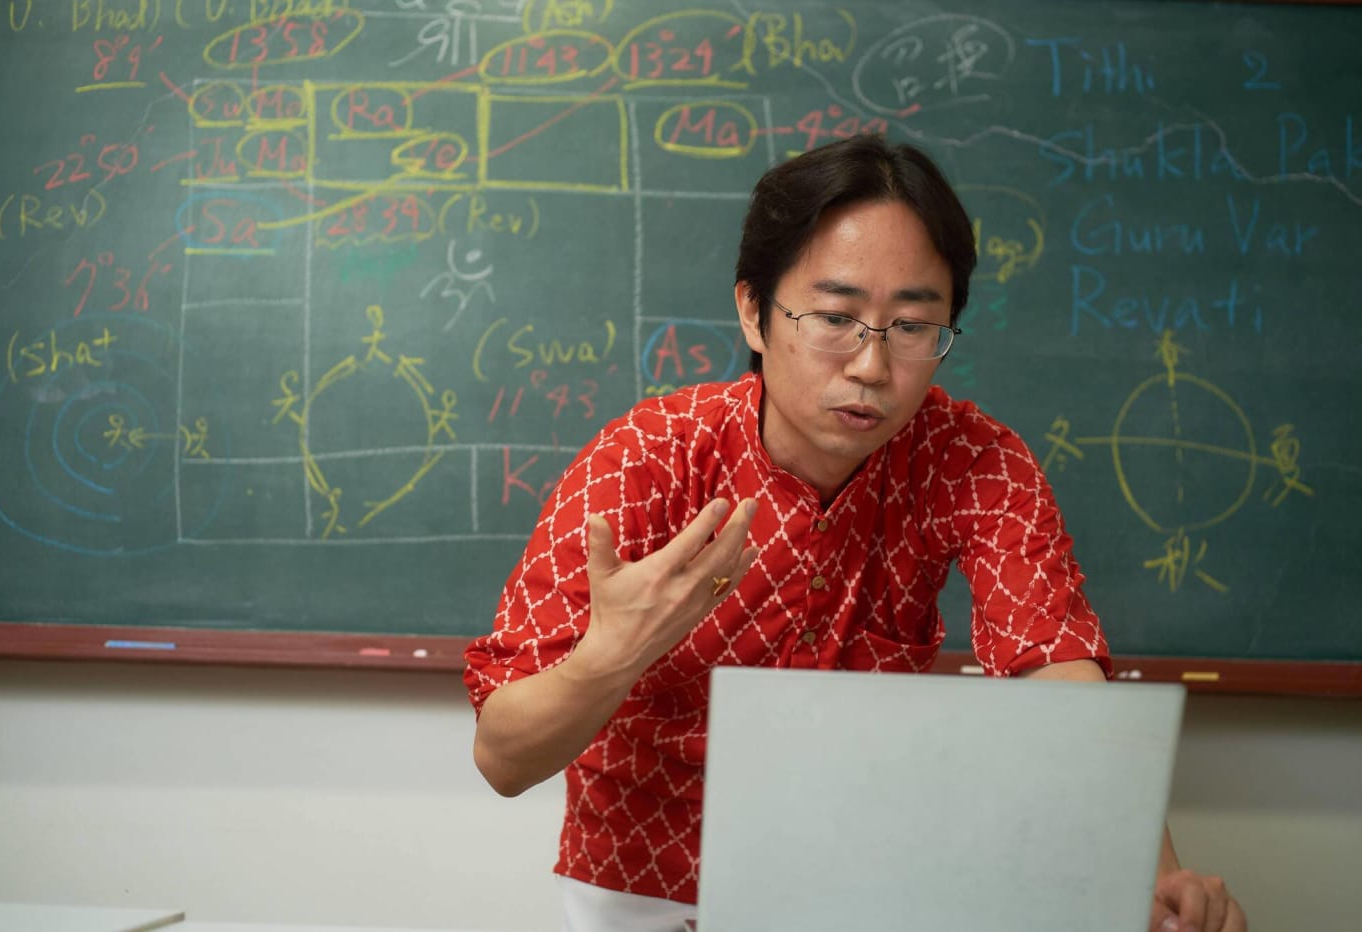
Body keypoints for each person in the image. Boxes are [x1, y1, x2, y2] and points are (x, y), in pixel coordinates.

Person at [463, 135, 1246, 932]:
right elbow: (503, 758)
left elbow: (1054, 667)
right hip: (645, 886)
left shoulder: (974, 459)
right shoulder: (646, 457)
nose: (871, 366)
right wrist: (613, 654)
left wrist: (1154, 878)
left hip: (862, 874)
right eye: (836, 317)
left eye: (912, 326)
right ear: (754, 312)